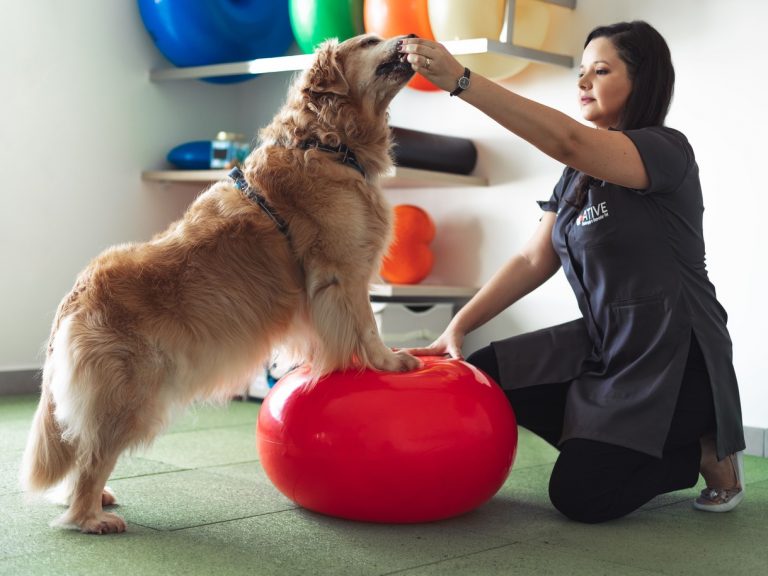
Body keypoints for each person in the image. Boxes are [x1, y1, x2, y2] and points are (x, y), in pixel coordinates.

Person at [398, 21, 745, 523]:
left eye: (600, 70)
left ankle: (698, 451)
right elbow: (532, 259)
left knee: (581, 497)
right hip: (606, 344)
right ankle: (603, 437)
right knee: (486, 373)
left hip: (675, 355)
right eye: (581, 72)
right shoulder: (576, 174)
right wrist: (457, 326)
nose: (583, 82)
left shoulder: (666, 150)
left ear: (642, 80)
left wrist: (461, 80)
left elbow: (569, 140)